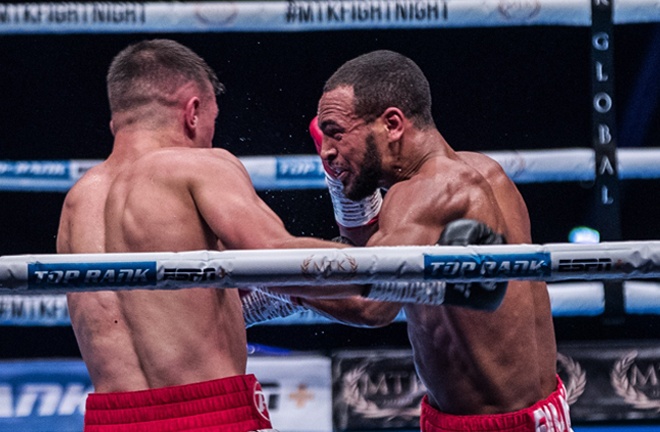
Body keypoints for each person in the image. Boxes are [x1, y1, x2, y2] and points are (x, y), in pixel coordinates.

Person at [56, 38, 361, 432]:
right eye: (212, 124)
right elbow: (279, 258)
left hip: (110, 419)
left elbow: (157, 315)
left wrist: (271, 299)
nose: (210, 139)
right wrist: (393, 265)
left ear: (119, 121)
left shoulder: (77, 202)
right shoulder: (198, 167)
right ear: (193, 111)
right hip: (210, 413)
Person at [305, 50, 572, 431]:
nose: (327, 150)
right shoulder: (484, 171)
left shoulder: (427, 193)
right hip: (533, 412)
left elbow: (371, 305)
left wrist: (261, 280)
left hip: (492, 423)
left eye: (336, 133)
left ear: (392, 124)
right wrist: (342, 180)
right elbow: (373, 251)